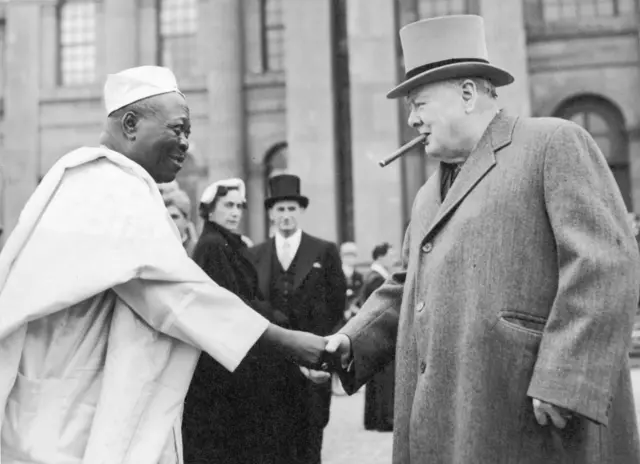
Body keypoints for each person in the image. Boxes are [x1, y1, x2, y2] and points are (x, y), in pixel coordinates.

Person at [313, 15, 640, 464]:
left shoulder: (554, 143)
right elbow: (405, 284)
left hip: (534, 424)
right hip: (448, 426)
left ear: (467, 93)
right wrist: (351, 341)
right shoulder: (428, 194)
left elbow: (604, 263)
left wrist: (566, 378)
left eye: (419, 103)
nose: (411, 120)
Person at [0, 66, 327, 464]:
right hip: (67, 425)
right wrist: (290, 342)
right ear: (131, 123)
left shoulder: (90, 180)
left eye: (188, 132)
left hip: (58, 414)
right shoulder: (110, 187)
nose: (185, 143)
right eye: (178, 128)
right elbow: (178, 295)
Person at [182, 178, 290, 463]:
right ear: (209, 210)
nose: (235, 212)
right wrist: (274, 316)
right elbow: (232, 302)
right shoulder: (213, 245)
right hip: (226, 364)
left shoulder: (227, 243)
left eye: (239, 206)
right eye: (227, 205)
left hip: (235, 356)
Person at [251, 174, 347, 464]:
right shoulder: (255, 255)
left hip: (311, 363)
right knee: (272, 441)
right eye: (280, 210)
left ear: (301, 211)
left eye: (291, 209)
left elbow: (337, 305)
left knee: (309, 441)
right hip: (270, 366)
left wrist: (325, 357)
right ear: (270, 213)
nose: (286, 216)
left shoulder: (324, 251)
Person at [361, 242, 395, 432]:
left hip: (372, 332)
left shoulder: (373, 275)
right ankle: (384, 419)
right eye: (391, 254)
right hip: (379, 332)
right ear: (381, 256)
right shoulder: (376, 278)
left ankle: (373, 419)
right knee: (384, 376)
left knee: (375, 377)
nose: (394, 258)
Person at [160, 181, 198, 255]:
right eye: (166, 218)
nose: (170, 222)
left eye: (174, 217)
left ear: (186, 220)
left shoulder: (197, 251)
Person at [340, 241, 364, 322]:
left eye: (353, 255)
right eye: (348, 255)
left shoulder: (358, 276)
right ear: (342, 256)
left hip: (355, 315)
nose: (351, 258)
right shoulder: (336, 275)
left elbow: (360, 294)